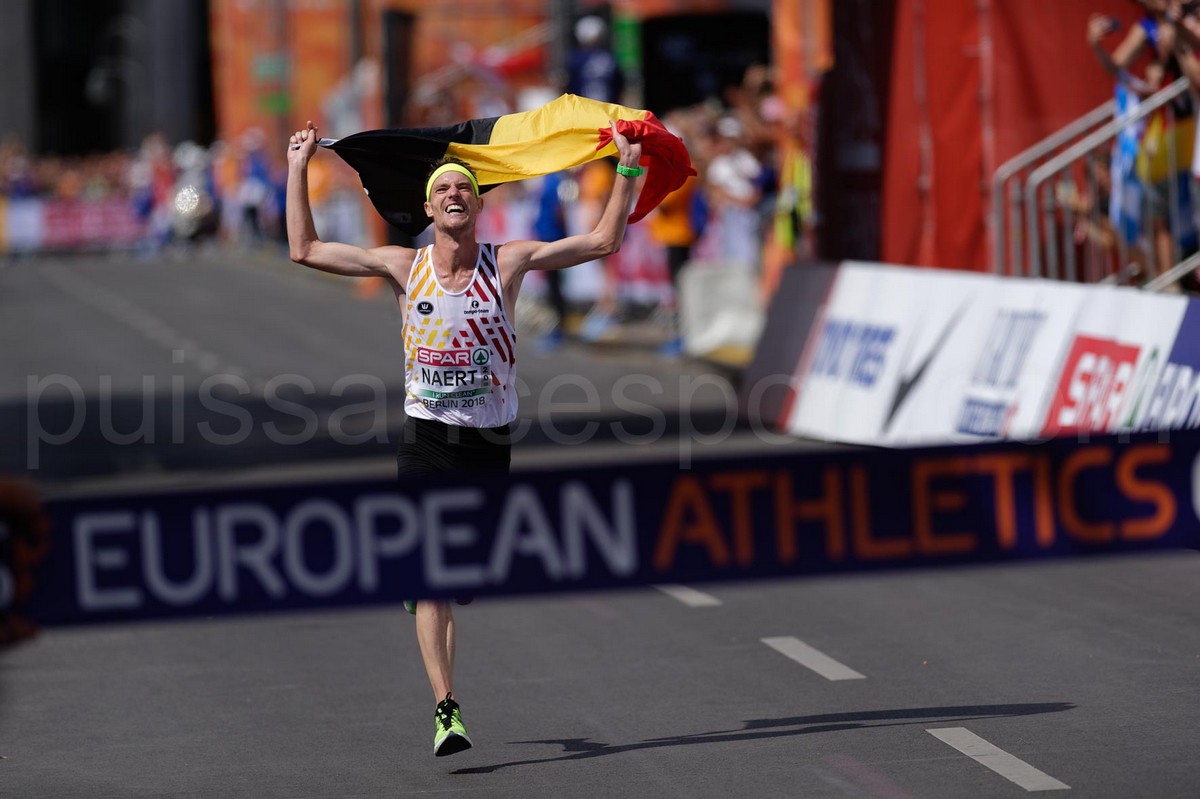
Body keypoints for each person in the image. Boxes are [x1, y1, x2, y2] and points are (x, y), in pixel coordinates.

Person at [285, 118, 644, 757]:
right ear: (428, 209)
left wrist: (627, 166)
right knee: (434, 578)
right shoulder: (403, 266)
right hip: (425, 439)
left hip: (487, 443)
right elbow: (305, 250)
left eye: (464, 189)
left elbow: (603, 240)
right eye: (443, 189)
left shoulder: (507, 262)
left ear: (477, 206)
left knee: (468, 578)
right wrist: (298, 165)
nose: (454, 195)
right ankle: (446, 709)